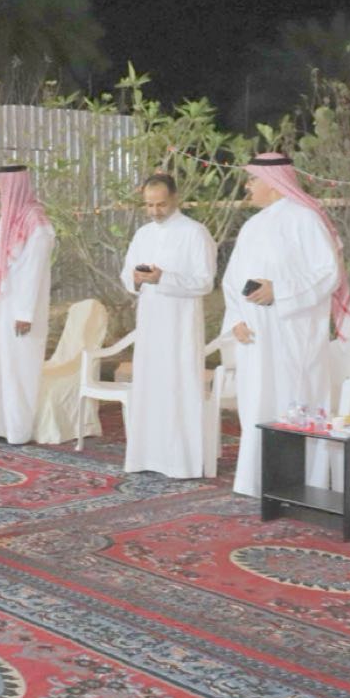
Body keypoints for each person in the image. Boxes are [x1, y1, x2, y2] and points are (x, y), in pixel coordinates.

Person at [221, 153, 350, 497]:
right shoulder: (252, 226)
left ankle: (300, 483)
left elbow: (328, 274)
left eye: (252, 179)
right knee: (257, 403)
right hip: (255, 337)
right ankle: (257, 480)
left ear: (273, 181)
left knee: (294, 401)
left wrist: (279, 291)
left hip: (293, 336)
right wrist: (235, 319)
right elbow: (231, 280)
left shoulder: (305, 218)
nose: (247, 186)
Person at [120, 175, 216, 478]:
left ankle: (180, 462)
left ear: (175, 198)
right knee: (150, 387)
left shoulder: (195, 233)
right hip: (150, 322)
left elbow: (204, 282)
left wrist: (164, 278)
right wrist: (136, 279)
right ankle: (147, 456)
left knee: (178, 387)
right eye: (149, 205)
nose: (155, 211)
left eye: (160, 204)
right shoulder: (143, 234)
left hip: (180, 324)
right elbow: (126, 274)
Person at [0, 164, 56, 444]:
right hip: (1, 307)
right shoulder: (8, 220)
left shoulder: (37, 224)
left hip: (21, 311)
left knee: (19, 369)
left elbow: (33, 273)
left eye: (2, 188)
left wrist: (24, 313)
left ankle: (18, 430)